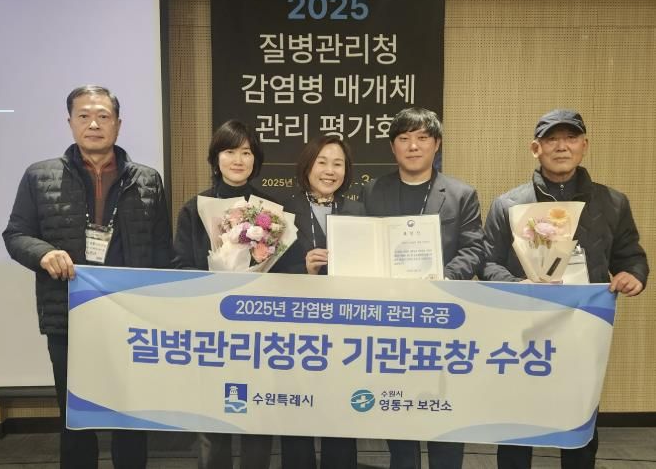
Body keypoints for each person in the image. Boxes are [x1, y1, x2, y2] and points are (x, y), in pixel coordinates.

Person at [3, 85, 172, 468]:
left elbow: (161, 249)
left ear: (118, 124)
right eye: (84, 116)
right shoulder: (39, 176)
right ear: (70, 122)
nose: (94, 124)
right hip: (69, 316)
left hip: (131, 318)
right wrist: (43, 253)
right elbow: (16, 235)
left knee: (131, 416)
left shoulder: (147, 180)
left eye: (103, 116)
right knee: (76, 419)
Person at [481, 108, 649, 468]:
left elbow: (630, 256)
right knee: (516, 421)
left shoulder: (612, 202)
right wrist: (519, 284)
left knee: (578, 423)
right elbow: (487, 264)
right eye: (552, 139)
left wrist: (633, 274)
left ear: (584, 145)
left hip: (582, 328)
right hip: (522, 332)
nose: (562, 146)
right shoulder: (509, 204)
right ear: (535, 148)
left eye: (571, 138)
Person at [363, 107, 485, 469]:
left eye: (422, 138)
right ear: (393, 147)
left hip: (442, 318)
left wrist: (443, 278)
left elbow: (474, 249)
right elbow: (365, 245)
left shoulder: (461, 194)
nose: (413, 146)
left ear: (437, 144)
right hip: (391, 319)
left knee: (444, 409)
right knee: (397, 408)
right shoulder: (373, 191)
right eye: (404, 139)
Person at [172, 119, 273, 469]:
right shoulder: (194, 208)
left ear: (255, 159)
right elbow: (180, 265)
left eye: (246, 152)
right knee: (214, 416)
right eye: (230, 151)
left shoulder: (271, 210)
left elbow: (283, 271)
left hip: (259, 332)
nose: (238, 160)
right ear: (216, 158)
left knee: (257, 416)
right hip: (211, 327)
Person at [273, 135, 364, 469]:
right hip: (296, 327)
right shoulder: (281, 211)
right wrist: (303, 270)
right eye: (322, 162)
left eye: (338, 164)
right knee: (297, 410)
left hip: (344, 328)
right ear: (307, 166)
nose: (330, 170)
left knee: (340, 410)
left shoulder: (357, 211)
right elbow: (266, 273)